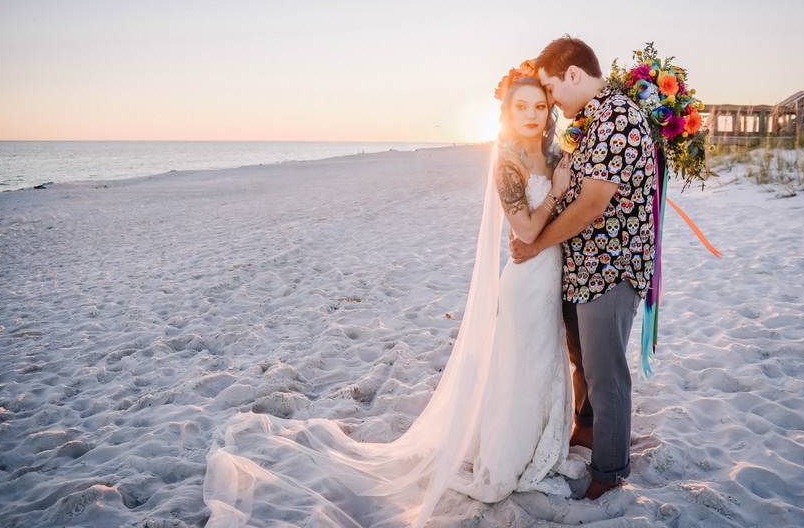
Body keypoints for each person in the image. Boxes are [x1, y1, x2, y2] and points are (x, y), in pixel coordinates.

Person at [202, 68, 582, 528]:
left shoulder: (553, 153)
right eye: (520, 107)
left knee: (543, 361)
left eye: (539, 107)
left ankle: (541, 445)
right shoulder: (507, 163)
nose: (530, 115)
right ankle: (510, 457)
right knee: (523, 363)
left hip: (552, 275)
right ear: (506, 113)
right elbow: (524, 230)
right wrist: (557, 194)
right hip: (525, 281)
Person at [510, 36, 657, 500]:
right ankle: (588, 431)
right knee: (583, 365)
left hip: (610, 269)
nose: (551, 101)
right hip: (583, 268)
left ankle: (609, 472)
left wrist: (536, 246)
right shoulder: (594, 118)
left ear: (573, 75)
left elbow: (592, 203)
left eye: (552, 90)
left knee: (606, 374)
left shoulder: (617, 120)